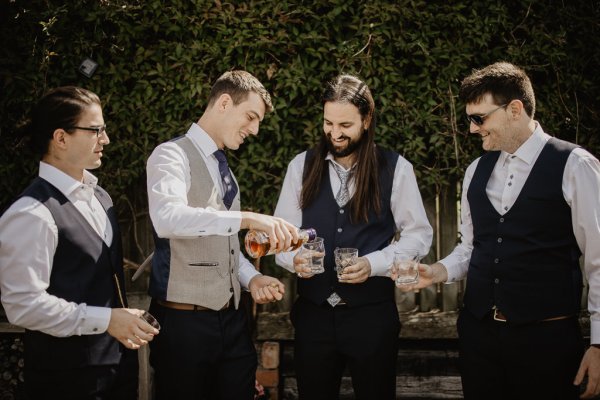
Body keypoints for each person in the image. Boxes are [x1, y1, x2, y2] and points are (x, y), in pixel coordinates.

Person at [395, 62, 600, 399]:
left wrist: (599, 343)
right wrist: (436, 272)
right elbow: (472, 247)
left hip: (545, 342)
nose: (473, 129)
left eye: (480, 118)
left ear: (514, 109)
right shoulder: (476, 170)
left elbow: (598, 259)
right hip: (480, 341)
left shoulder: (576, 165)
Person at [274, 74, 433, 400]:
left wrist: (373, 264)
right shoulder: (299, 167)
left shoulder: (396, 168)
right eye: (328, 122)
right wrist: (295, 259)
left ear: (367, 119)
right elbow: (283, 238)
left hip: (372, 318)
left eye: (345, 124)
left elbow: (419, 235)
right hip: (313, 317)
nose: (335, 133)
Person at [146, 70, 299, 400]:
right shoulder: (171, 155)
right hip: (183, 326)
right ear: (225, 103)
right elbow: (168, 219)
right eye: (251, 117)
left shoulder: (223, 168)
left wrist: (252, 279)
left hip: (233, 325)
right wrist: (247, 218)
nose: (254, 129)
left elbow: (224, 245)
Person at [0, 86, 157, 400]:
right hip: (66, 381)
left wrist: (122, 319)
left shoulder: (100, 196)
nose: (106, 139)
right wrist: (107, 320)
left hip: (119, 372)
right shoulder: (31, 213)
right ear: (61, 138)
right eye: (95, 130)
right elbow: (23, 306)